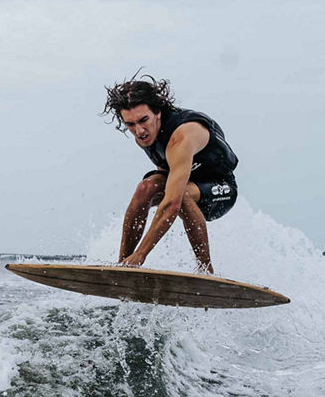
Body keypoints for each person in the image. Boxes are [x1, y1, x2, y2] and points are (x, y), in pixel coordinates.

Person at [102, 75, 239, 274]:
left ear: (157, 112)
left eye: (143, 120)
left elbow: (172, 202)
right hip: (186, 182)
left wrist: (141, 254)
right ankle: (122, 265)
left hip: (221, 189)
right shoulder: (145, 136)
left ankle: (205, 271)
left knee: (180, 195)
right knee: (145, 187)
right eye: (130, 124)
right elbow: (165, 175)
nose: (139, 131)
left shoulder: (181, 136)